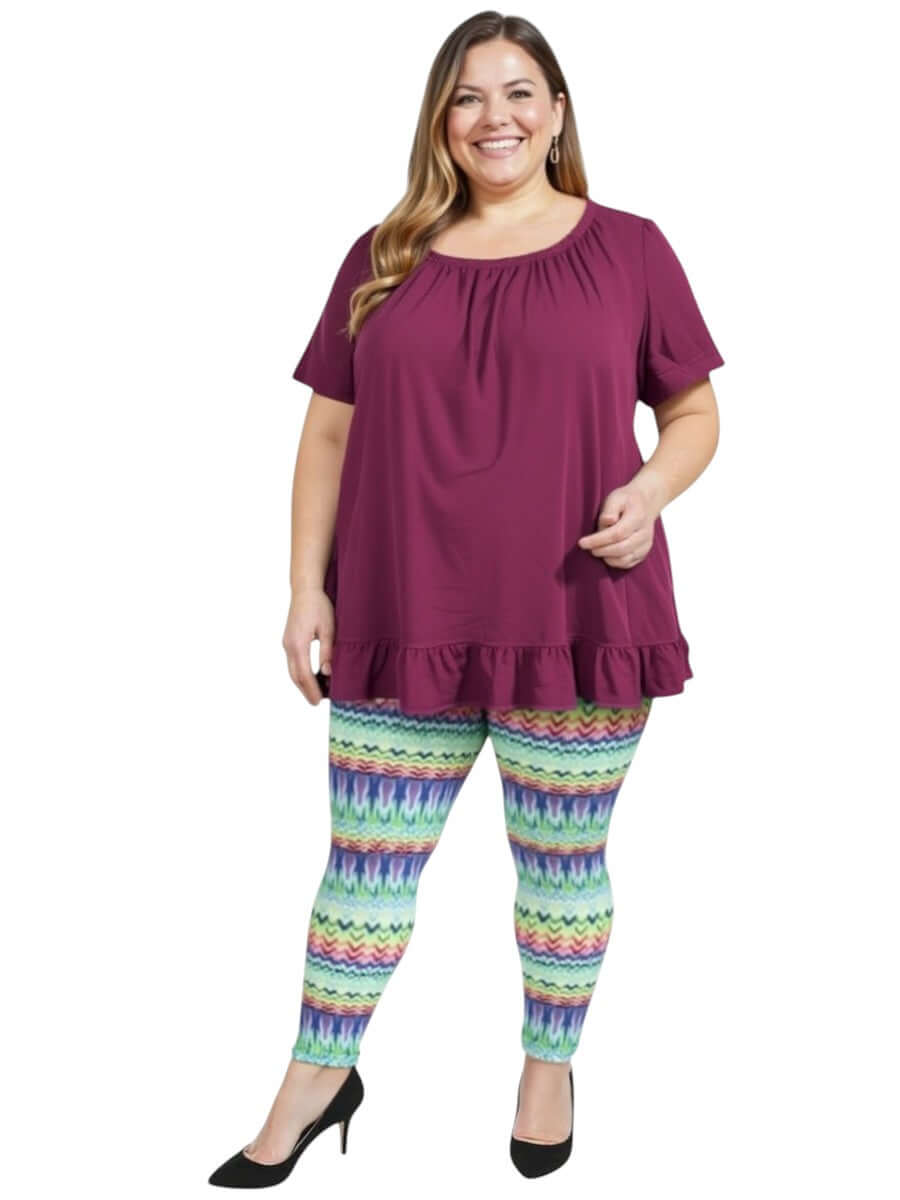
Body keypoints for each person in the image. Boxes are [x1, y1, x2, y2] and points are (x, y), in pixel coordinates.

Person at [208, 11, 724, 1187]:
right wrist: (304, 586)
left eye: (520, 91)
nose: (496, 116)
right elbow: (328, 433)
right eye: (468, 96)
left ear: (557, 112)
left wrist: (652, 490)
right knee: (364, 873)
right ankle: (317, 1076)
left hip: (578, 619)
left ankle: (549, 1068)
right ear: (440, 120)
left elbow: (693, 413)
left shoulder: (631, 249)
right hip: (402, 617)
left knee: (561, 870)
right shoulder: (383, 253)